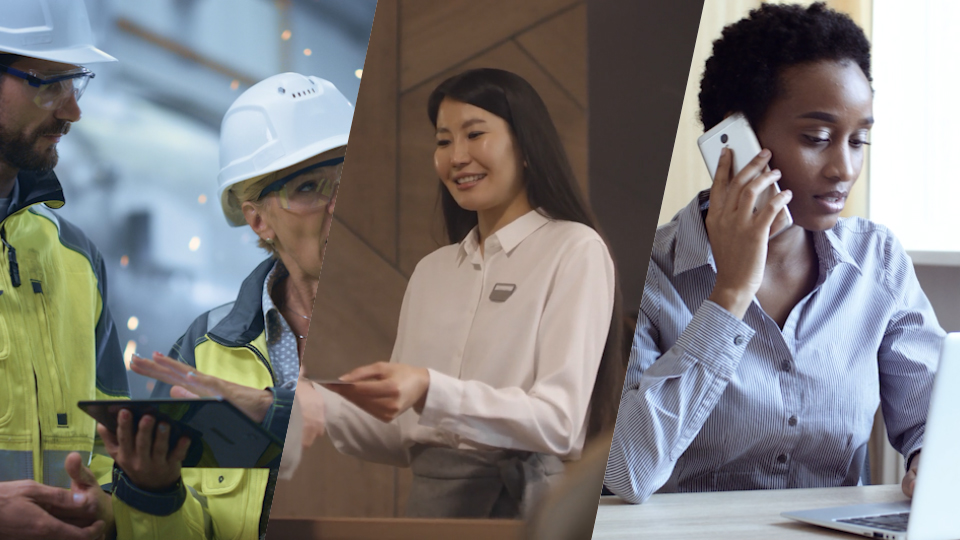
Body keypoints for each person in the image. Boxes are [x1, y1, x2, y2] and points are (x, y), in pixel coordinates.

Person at [604, 2, 943, 504]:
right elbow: (626, 473)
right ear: (732, 141)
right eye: (818, 138)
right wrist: (731, 293)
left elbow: (933, 423)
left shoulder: (877, 261)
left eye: (859, 140)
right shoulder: (648, 270)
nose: (843, 169)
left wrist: (928, 463)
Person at [297, 67, 624, 518]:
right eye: (444, 140)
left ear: (527, 147)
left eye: (474, 134)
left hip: (525, 510)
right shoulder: (432, 272)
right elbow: (399, 430)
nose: (456, 157)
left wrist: (431, 388)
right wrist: (311, 400)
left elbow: (560, 423)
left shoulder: (575, 248)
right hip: (430, 512)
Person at [99, 72, 349, 539]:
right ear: (258, 220)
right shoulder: (204, 349)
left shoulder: (422, 313)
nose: (340, 205)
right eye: (310, 188)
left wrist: (271, 412)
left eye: (350, 179)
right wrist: (154, 492)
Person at [0, 1, 131, 538]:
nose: (73, 111)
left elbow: (109, 451)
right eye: (49, 83)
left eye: (76, 83)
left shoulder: (75, 257)